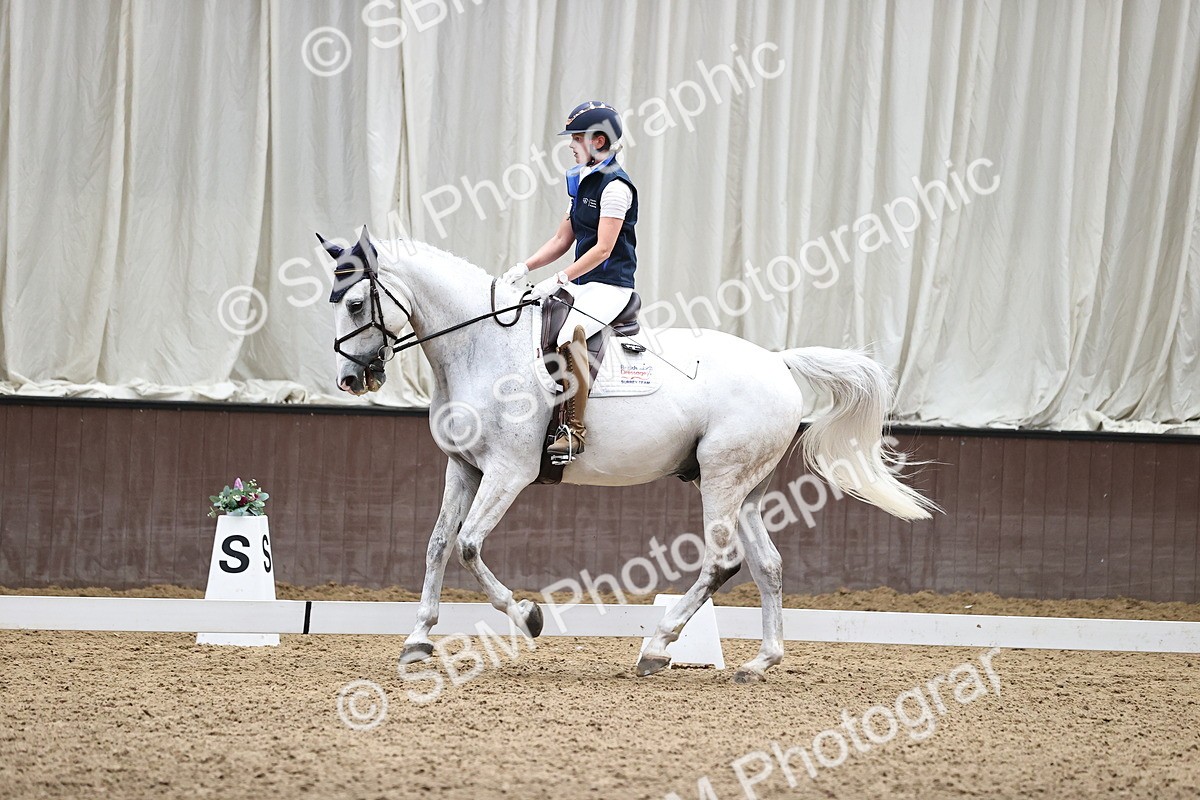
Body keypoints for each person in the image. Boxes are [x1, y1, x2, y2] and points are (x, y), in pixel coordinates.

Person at [501, 101, 639, 462]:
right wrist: (523, 267)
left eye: (576, 138)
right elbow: (562, 240)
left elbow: (603, 249)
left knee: (567, 335)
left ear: (598, 140)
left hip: (611, 285)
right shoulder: (580, 180)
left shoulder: (616, 188)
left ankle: (574, 431)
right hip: (582, 282)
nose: (571, 145)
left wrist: (559, 277)